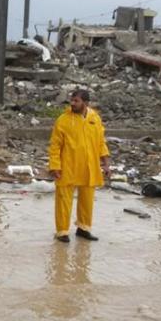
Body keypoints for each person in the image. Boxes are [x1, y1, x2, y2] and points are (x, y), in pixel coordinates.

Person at [48, 89, 110, 243]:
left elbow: (101, 142)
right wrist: (55, 166)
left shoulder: (95, 118)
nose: (72, 103)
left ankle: (84, 228)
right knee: (64, 199)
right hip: (68, 166)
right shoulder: (63, 120)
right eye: (72, 100)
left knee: (87, 200)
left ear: (86, 103)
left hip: (89, 167)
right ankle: (62, 231)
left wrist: (106, 164)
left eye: (76, 101)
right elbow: (55, 145)